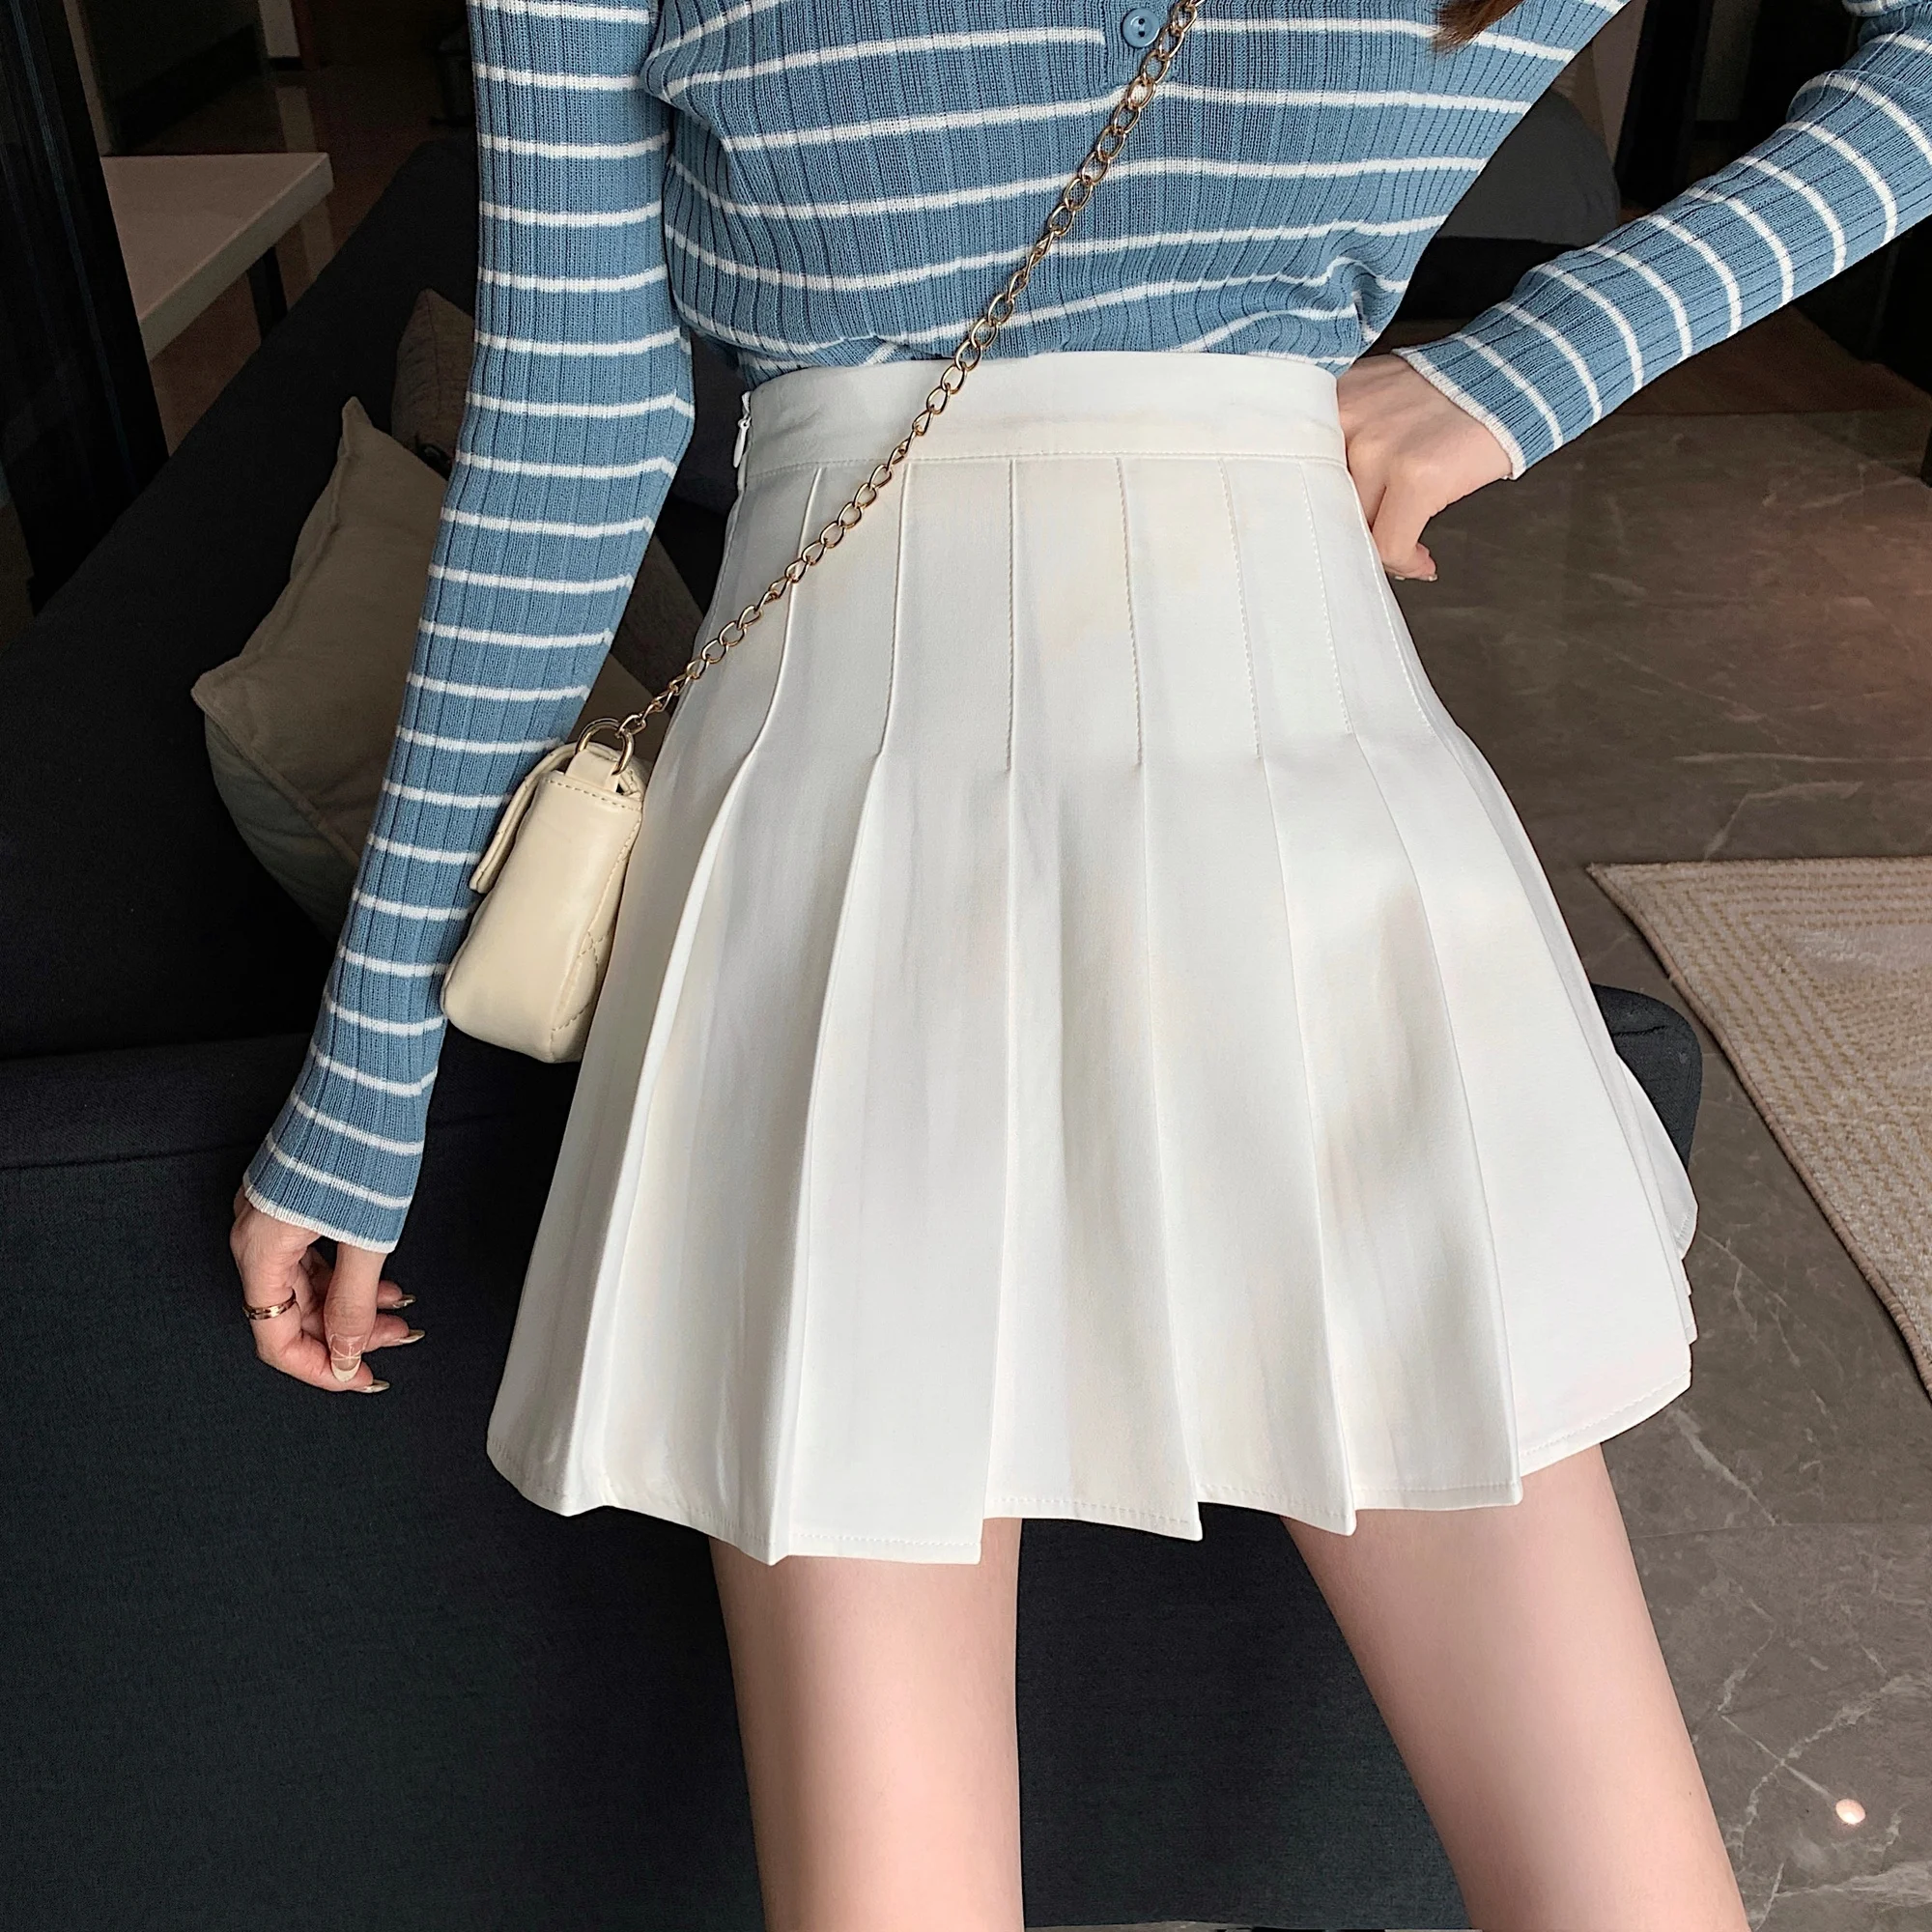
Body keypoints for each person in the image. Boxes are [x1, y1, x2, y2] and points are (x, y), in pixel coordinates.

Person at [230, 1, 1931, 1924]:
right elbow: (570, 426)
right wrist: (369, 1067)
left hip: (929, 825)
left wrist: (1536, 361)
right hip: (1091, 825)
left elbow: (579, 425)